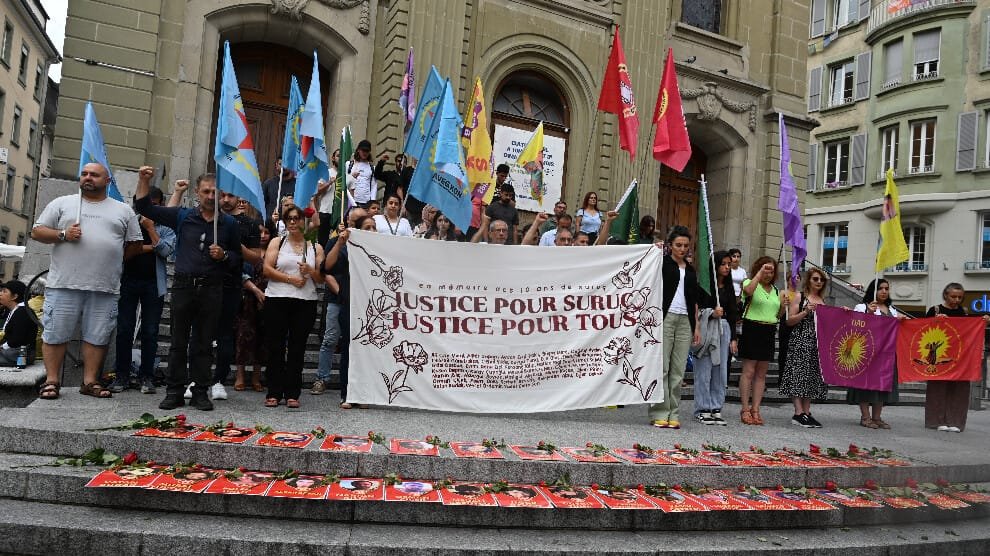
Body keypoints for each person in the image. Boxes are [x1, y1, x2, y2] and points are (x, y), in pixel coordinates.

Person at [31, 162, 144, 400]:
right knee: (55, 333)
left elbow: (135, 244)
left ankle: (90, 381)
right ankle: (52, 381)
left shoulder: (123, 210)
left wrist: (113, 258)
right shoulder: (62, 203)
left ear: (107, 181)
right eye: (84, 174)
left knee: (98, 336)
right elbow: (37, 231)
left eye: (94, 174)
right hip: (63, 284)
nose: (88, 177)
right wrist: (63, 234)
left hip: (105, 287)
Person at [134, 168, 243, 411]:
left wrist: (224, 255)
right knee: (178, 342)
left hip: (212, 288)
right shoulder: (182, 216)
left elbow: (237, 259)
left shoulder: (229, 224)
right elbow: (144, 207)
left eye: (215, 192)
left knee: (204, 343)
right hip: (184, 286)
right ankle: (174, 390)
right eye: (206, 191)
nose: (211, 196)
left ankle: (200, 391)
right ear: (197, 192)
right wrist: (143, 180)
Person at [108, 187, 177, 394]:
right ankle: (121, 375)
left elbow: (166, 251)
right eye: (144, 205)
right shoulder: (127, 223)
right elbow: (119, 250)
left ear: (160, 205)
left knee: (150, 331)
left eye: (153, 205)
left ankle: (147, 376)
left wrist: (150, 230)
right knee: (124, 329)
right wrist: (147, 247)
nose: (148, 210)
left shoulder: (165, 226)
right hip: (127, 281)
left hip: (153, 284)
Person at [262, 204, 323, 409]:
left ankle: (292, 392)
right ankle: (274, 391)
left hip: (305, 301)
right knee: (275, 346)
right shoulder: (277, 242)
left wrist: (310, 271)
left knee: (298, 347)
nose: (293, 222)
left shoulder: (315, 247)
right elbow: (267, 269)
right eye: (289, 218)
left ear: (304, 222)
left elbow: (321, 278)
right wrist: (290, 279)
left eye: (297, 218)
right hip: (277, 298)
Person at [209, 191, 263, 401]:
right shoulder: (208, 218)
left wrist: (235, 246)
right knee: (202, 334)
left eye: (230, 195)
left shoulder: (249, 224)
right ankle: (196, 379)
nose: (225, 200)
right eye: (221, 195)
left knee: (225, 335)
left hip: (232, 284)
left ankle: (219, 380)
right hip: (205, 283)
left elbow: (256, 257)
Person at [314, 207, 367, 402]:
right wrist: (342, 293)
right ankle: (322, 378)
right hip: (339, 300)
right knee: (330, 339)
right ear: (349, 222)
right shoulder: (336, 242)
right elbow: (326, 271)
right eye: (355, 220)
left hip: (361, 303)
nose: (357, 224)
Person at [649, 226, 699, 429]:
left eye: (686, 246)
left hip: (686, 320)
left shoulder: (691, 270)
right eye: (678, 245)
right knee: (662, 367)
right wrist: (653, 250)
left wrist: (697, 326)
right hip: (665, 317)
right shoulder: (662, 263)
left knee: (678, 370)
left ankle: (674, 412)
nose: (682, 249)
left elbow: (694, 298)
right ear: (670, 245)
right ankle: (659, 412)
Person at [924, 283, 989, 433]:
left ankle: (955, 421)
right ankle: (936, 421)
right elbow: (923, 330)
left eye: (960, 297)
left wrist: (983, 320)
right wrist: (935, 320)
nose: (956, 300)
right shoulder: (935, 310)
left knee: (960, 389)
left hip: (960, 357)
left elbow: (969, 331)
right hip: (940, 356)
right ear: (945, 295)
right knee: (938, 388)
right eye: (953, 296)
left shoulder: (963, 312)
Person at [848, 278, 903, 429]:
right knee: (865, 385)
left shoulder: (892, 310)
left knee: (883, 385)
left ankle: (877, 417)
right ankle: (865, 417)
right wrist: (868, 313)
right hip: (868, 353)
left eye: (886, 288)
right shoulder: (862, 307)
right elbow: (855, 326)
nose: (884, 291)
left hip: (886, 354)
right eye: (880, 288)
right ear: (873, 290)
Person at [691, 250, 738, 426]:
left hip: (723, 329)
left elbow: (732, 314)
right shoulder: (704, 286)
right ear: (715, 265)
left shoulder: (729, 287)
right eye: (723, 264)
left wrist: (733, 338)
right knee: (704, 370)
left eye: (729, 264)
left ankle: (716, 406)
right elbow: (696, 308)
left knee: (720, 371)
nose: (727, 267)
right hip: (707, 328)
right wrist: (711, 313)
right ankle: (702, 408)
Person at [779, 268, 829, 428]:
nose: (819, 282)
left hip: (817, 343)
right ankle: (798, 412)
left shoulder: (822, 300)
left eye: (821, 280)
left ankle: (806, 412)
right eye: (815, 279)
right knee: (798, 375)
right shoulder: (800, 297)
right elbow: (789, 321)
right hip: (801, 340)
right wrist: (805, 311)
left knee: (812, 377)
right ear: (809, 281)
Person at [738, 256, 784, 425]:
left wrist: (783, 306)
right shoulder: (749, 282)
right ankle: (745, 408)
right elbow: (748, 291)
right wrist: (759, 274)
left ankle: (756, 408)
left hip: (769, 329)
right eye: (765, 269)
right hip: (752, 327)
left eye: (771, 271)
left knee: (761, 373)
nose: (768, 274)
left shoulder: (776, 290)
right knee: (748, 371)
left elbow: (778, 315)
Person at [233, 223, 271, 392]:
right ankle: (240, 376)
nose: (263, 235)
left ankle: (256, 377)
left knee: (263, 338)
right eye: (260, 232)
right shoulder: (246, 251)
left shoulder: (273, 252)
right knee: (242, 337)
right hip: (246, 298)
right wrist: (255, 290)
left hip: (267, 299)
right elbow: (238, 272)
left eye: (266, 232)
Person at [0, 280, 39, 365]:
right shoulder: (17, 309)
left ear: (14, 296)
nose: (0, 293)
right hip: (14, 352)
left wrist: (2, 347)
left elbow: (17, 339)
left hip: (20, 355)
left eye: (4, 291)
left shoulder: (22, 312)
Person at [315, 148, 340, 247]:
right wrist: (329, 182)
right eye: (338, 156)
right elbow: (317, 191)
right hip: (326, 212)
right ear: (333, 158)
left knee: (337, 243)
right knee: (322, 243)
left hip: (340, 214)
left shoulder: (347, 175)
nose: (340, 158)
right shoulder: (327, 172)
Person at [485, 177, 519, 244]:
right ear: (501, 193)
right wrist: (486, 242)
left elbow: (515, 230)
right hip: (494, 243)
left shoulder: (514, 210)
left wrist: (515, 245)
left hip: (508, 244)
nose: (508, 197)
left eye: (510, 195)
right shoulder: (491, 207)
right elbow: (485, 227)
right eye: (506, 195)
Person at [262, 158, 294, 227]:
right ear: (276, 165)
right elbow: (261, 207)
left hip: (291, 225)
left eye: (287, 164)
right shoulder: (268, 184)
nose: (283, 167)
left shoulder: (297, 185)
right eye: (280, 164)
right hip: (270, 226)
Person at [346, 139, 376, 207]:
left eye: (367, 151)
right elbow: (344, 183)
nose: (365, 153)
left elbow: (374, 186)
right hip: (351, 201)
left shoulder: (372, 168)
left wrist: (372, 203)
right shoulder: (349, 164)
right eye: (363, 150)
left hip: (366, 203)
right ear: (358, 150)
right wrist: (352, 177)